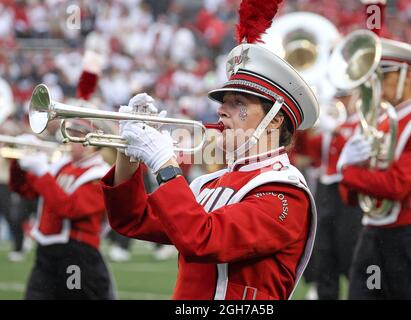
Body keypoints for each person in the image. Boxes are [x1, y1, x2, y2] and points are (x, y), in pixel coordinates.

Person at [101, 31, 321, 299]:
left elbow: (204, 240)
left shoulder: (285, 193)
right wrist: (129, 150)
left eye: (237, 102)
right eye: (223, 102)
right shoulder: (209, 183)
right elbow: (132, 219)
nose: (221, 110)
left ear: (274, 120)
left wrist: (164, 163)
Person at [337, 38, 411, 299]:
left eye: (382, 76)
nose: (373, 84)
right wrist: (350, 167)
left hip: (406, 237)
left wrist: (348, 171)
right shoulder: (380, 123)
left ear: (406, 77)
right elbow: (351, 196)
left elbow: (395, 187)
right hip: (372, 232)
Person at [9, 122, 115, 300]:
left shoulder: (101, 175)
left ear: (92, 142)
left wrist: (42, 172)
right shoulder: (63, 166)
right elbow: (24, 189)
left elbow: (69, 208)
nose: (68, 139)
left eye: (75, 135)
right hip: (46, 253)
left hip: (77, 256)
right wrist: (19, 161)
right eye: (69, 133)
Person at [307, 91, 362, 299]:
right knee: (323, 248)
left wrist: (334, 128)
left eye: (345, 97)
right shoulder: (327, 127)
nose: (340, 102)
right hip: (325, 188)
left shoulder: (359, 124)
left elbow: (354, 144)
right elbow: (308, 151)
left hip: (348, 189)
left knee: (349, 246)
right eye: (338, 97)